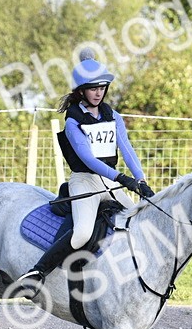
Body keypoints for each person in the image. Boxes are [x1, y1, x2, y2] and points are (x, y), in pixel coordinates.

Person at [14, 49, 154, 297]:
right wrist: (122, 178)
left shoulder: (113, 115)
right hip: (85, 181)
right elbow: (88, 159)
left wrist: (140, 178)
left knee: (136, 221)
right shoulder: (73, 121)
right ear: (81, 91)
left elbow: (127, 149)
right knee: (81, 233)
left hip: (109, 181)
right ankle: (37, 273)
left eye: (102, 87)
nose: (99, 92)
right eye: (93, 88)